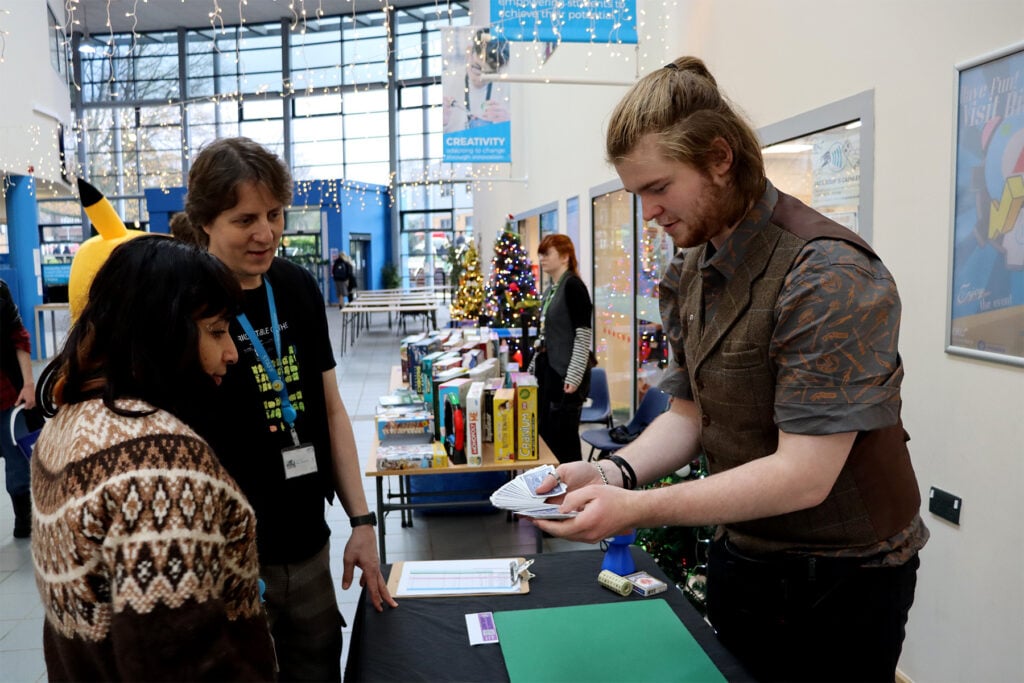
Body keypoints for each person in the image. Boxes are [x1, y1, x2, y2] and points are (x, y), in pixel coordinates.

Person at [534, 56, 927, 683]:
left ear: (720, 158)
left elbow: (804, 476)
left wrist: (632, 509)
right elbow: (690, 416)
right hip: (743, 555)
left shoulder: (827, 274)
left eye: (659, 188)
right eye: (638, 195)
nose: (650, 213)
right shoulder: (692, 269)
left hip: (843, 578)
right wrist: (612, 469)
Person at [185, 136, 397, 682]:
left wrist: (361, 521)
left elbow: (330, 410)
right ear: (206, 221)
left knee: (317, 666)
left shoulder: (296, 285)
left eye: (275, 214)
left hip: (307, 545)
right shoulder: (182, 301)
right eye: (245, 219)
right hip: (228, 560)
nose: (266, 233)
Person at [30, 235, 276, 681]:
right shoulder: (161, 466)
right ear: (163, 333)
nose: (231, 353)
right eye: (217, 331)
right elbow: (176, 662)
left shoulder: (67, 423)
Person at [528, 234, 593, 462]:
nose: (541, 258)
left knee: (564, 439)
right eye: (540, 253)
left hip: (565, 376)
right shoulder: (552, 289)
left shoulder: (573, 286)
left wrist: (574, 376)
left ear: (564, 256)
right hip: (549, 373)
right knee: (548, 434)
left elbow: (583, 335)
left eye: (547, 253)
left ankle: (574, 490)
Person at [0, 279, 35, 538]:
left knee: (17, 464)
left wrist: (29, 384)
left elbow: (19, 338)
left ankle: (24, 520)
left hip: (7, 396)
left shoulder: (1, 288)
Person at [442, 29, 510, 133]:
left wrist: (507, 125)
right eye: (477, 68)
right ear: (468, 52)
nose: (481, 78)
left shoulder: (509, 87)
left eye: (489, 73)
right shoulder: (446, 81)